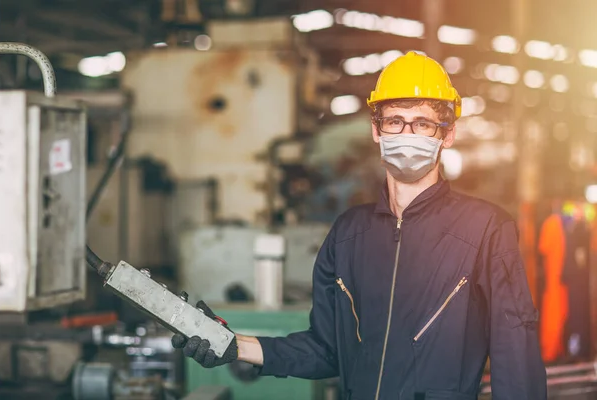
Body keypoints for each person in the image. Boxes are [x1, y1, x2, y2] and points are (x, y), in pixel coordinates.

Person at [172, 51, 547, 400]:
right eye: (395, 121)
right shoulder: (349, 234)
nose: (407, 135)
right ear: (376, 130)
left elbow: (517, 362)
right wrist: (232, 344)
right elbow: (326, 350)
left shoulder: (486, 230)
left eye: (423, 124)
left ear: (448, 134)